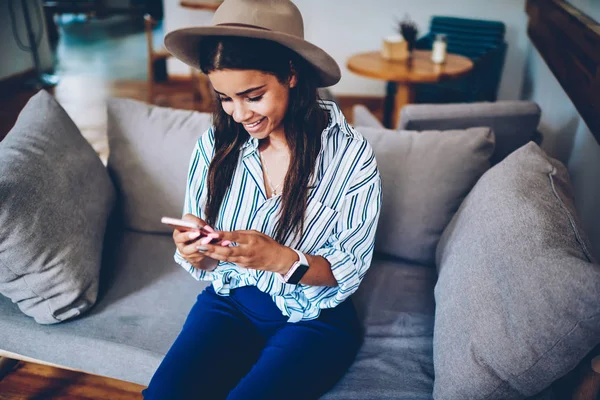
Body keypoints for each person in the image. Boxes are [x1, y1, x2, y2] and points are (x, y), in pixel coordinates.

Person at [142, 0, 382, 399]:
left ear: (291, 74)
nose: (238, 115)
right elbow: (202, 260)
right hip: (230, 304)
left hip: (315, 319)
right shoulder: (216, 145)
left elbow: (347, 269)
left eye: (253, 96)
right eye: (224, 98)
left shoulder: (350, 155)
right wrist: (192, 247)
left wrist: (278, 259)